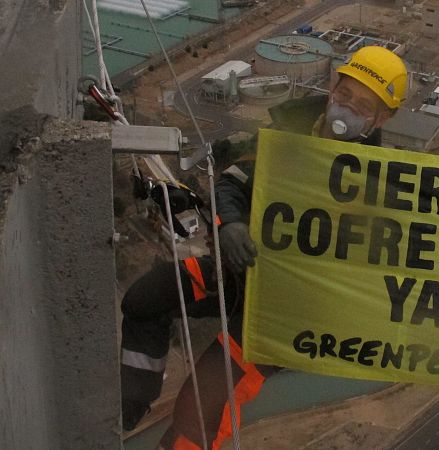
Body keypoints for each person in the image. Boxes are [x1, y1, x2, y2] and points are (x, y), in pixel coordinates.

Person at [120, 46, 408, 450]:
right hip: (242, 270)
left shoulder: (380, 181)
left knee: (202, 404)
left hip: (287, 312)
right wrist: (231, 225)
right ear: (333, 87)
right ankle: (129, 406)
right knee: (145, 298)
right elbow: (232, 182)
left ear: (382, 118)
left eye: (363, 106)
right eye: (345, 94)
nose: (347, 108)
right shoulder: (288, 132)